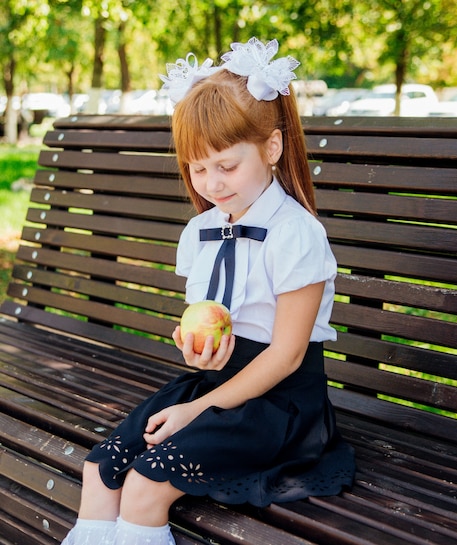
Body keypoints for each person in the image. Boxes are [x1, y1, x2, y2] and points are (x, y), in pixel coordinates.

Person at [61, 37, 355, 545]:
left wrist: (198, 408)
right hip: (218, 389)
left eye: (227, 166)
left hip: (279, 406)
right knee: (101, 469)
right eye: (198, 169)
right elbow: (212, 325)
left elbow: (285, 358)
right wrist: (196, 350)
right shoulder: (201, 230)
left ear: (272, 147)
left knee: (145, 485)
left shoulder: (295, 234)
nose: (212, 184)